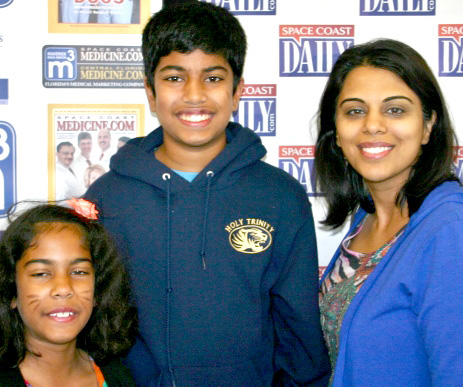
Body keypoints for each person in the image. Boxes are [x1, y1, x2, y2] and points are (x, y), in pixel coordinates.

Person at [84, 1, 331, 385]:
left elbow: (297, 324)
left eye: (213, 78)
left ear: (237, 93)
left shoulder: (280, 197)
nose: (195, 95)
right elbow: (92, 323)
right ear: (150, 92)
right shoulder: (108, 198)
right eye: (174, 78)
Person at [315, 38, 463, 386]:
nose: (373, 125)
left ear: (427, 126)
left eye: (395, 109)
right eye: (354, 110)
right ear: (336, 132)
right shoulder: (365, 221)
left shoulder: (455, 233)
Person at [0, 202, 138, 386]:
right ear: (10, 291)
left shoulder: (116, 375)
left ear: (99, 288)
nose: (63, 288)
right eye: (41, 274)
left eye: (79, 272)